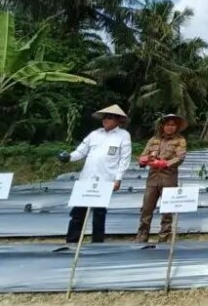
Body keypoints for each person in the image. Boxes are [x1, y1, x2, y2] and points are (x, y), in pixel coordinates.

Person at [58, 104, 132, 243]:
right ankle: (72, 241)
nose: (106, 120)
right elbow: (80, 152)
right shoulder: (94, 134)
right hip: (86, 178)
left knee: (99, 213)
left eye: (110, 118)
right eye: (104, 117)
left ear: (118, 120)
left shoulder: (123, 136)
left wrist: (118, 179)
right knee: (78, 212)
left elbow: (124, 159)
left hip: (106, 179)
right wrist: (68, 157)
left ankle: (98, 243)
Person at [134, 114, 188, 243]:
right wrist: (144, 160)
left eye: (173, 125)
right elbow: (144, 155)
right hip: (152, 177)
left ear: (177, 127)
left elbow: (179, 157)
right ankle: (142, 235)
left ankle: (164, 237)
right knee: (146, 208)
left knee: (167, 209)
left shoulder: (180, 140)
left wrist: (164, 163)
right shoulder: (154, 140)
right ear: (162, 126)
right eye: (167, 125)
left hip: (169, 177)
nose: (170, 127)